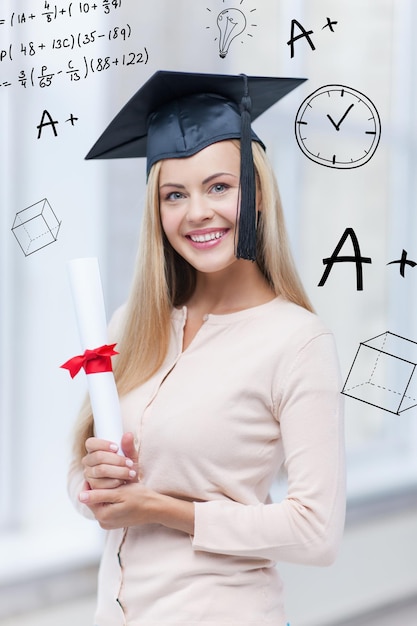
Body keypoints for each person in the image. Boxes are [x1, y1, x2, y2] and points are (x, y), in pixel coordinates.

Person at [68, 71, 346, 626]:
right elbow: (83, 480)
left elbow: (317, 532)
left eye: (218, 186)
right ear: (158, 210)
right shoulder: (133, 324)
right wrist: (94, 482)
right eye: (175, 194)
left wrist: (163, 510)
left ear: (257, 193)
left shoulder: (295, 341)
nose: (197, 212)